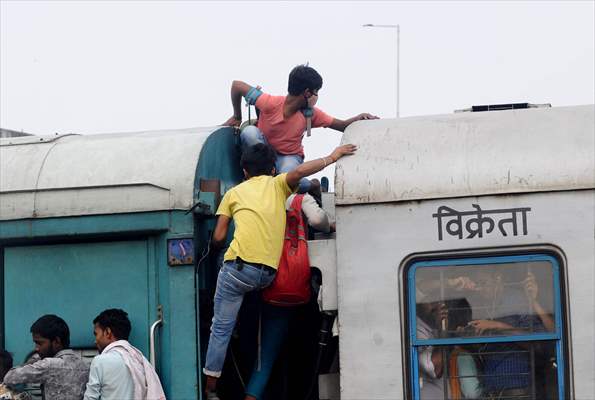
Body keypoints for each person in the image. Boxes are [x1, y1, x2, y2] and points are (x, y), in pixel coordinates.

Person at [203, 142, 357, 400]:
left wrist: (218, 243)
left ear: (244, 171)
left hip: (237, 272)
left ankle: (211, 390)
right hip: (267, 276)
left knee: (221, 328)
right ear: (273, 169)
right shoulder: (279, 185)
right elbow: (298, 174)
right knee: (269, 346)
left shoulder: (234, 193)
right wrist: (332, 156)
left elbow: (219, 236)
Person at [222, 64, 378, 193]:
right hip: (265, 152)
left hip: (288, 156)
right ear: (307, 93)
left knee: (289, 178)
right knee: (249, 132)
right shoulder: (270, 103)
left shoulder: (310, 115)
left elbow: (342, 126)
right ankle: (260, 175)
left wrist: (360, 117)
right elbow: (237, 86)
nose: (317, 96)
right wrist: (237, 116)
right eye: (316, 92)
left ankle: (314, 186)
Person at [243, 183, 334, 400]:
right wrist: (330, 225)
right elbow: (318, 221)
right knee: (307, 348)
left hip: (266, 285)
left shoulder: (261, 196)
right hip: (297, 288)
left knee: (264, 355)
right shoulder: (300, 199)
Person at [467, 270, 554, 399]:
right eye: (477, 285)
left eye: (483, 283)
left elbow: (536, 342)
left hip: (518, 393)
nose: (480, 289)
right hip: (492, 392)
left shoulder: (518, 301)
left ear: (497, 278)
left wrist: (497, 325)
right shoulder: (484, 307)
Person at [83, 308, 165, 400]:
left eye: (96, 334)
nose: (95, 341)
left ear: (108, 332)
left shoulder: (100, 361)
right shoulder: (141, 361)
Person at [2, 315, 89, 400]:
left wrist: (34, 361)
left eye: (39, 343)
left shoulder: (48, 365)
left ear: (56, 341)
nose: (36, 348)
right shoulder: (84, 366)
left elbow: (10, 377)